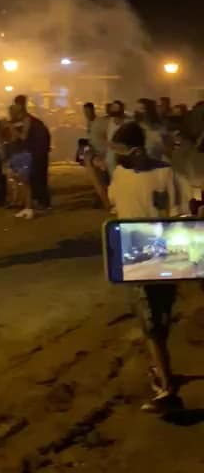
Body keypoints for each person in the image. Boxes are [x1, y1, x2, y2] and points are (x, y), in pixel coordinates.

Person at [107, 121, 183, 413]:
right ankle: (166, 387)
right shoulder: (120, 174)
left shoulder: (165, 173)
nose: (117, 157)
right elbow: (111, 205)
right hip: (134, 258)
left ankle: (161, 370)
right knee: (151, 323)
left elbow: (177, 215)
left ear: (137, 151)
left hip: (165, 255)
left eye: (120, 151)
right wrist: (90, 171)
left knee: (160, 320)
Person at [13, 95, 51, 209]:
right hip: (37, 151)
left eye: (16, 105)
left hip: (37, 151)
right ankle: (39, 201)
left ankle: (41, 202)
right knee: (37, 177)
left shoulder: (27, 119)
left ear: (20, 105)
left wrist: (11, 128)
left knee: (37, 177)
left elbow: (23, 136)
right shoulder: (29, 119)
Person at [81, 102, 109, 206]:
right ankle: (101, 197)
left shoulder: (100, 122)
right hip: (95, 153)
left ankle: (106, 199)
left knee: (103, 178)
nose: (87, 114)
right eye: (85, 112)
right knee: (98, 178)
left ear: (93, 110)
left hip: (103, 154)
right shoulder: (89, 123)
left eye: (88, 111)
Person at [105, 100, 128, 178]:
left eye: (116, 108)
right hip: (110, 157)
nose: (114, 109)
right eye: (113, 107)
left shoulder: (127, 122)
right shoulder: (110, 122)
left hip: (122, 156)